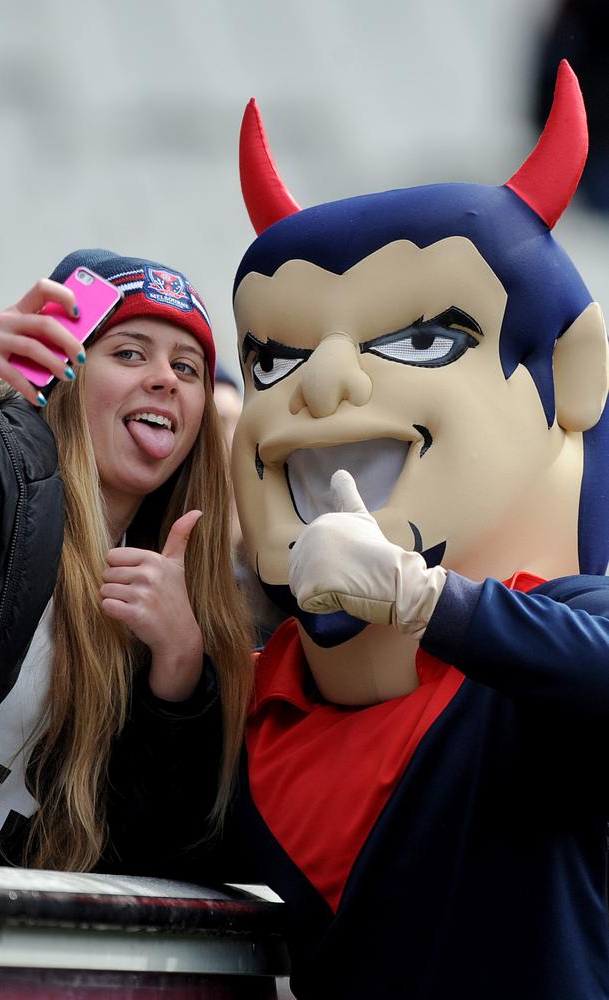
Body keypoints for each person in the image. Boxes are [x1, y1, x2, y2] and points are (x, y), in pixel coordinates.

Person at [223, 63, 609, 999]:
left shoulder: (550, 649)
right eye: (273, 356)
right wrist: (166, 681)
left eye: (424, 339)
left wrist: (420, 597)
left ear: (571, 370)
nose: (319, 383)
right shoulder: (262, 691)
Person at [0, 248, 253, 875]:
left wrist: (178, 672)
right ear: (59, 372)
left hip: (8, 955)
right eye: (128, 353)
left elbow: (166, 861)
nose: (165, 379)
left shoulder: (184, 582)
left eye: (187, 367)